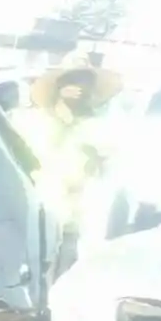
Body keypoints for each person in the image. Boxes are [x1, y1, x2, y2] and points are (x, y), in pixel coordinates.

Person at [12, 59, 123, 275]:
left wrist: (99, 163)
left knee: (67, 278)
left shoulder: (100, 128)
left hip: (76, 224)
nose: (79, 88)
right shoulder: (30, 121)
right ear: (59, 86)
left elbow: (112, 170)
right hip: (36, 218)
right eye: (73, 81)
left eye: (85, 82)